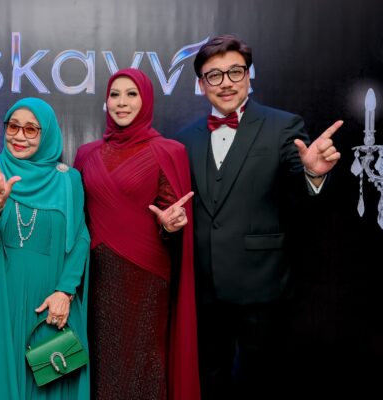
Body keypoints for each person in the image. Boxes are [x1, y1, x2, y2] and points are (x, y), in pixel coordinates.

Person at [174, 34, 343, 400]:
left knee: (262, 381)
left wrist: (313, 173)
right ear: (201, 84)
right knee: (209, 380)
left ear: (249, 75)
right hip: (203, 288)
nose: (226, 82)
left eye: (235, 71)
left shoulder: (282, 125)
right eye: (214, 75)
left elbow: (302, 187)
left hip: (261, 284)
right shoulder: (184, 139)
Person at [74, 68, 200, 400]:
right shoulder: (86, 154)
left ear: (146, 101)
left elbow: (172, 216)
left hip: (147, 278)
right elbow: (75, 220)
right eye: (114, 94)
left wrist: (170, 225)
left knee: (144, 364)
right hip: (98, 276)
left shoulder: (169, 151)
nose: (122, 102)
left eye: (132, 94)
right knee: (103, 364)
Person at [0, 97, 90, 400]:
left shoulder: (68, 179)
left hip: (51, 302)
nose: (19, 136)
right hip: (1, 296)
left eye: (31, 129)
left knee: (50, 382)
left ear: (46, 133)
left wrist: (65, 291)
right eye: (13, 126)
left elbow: (80, 239)